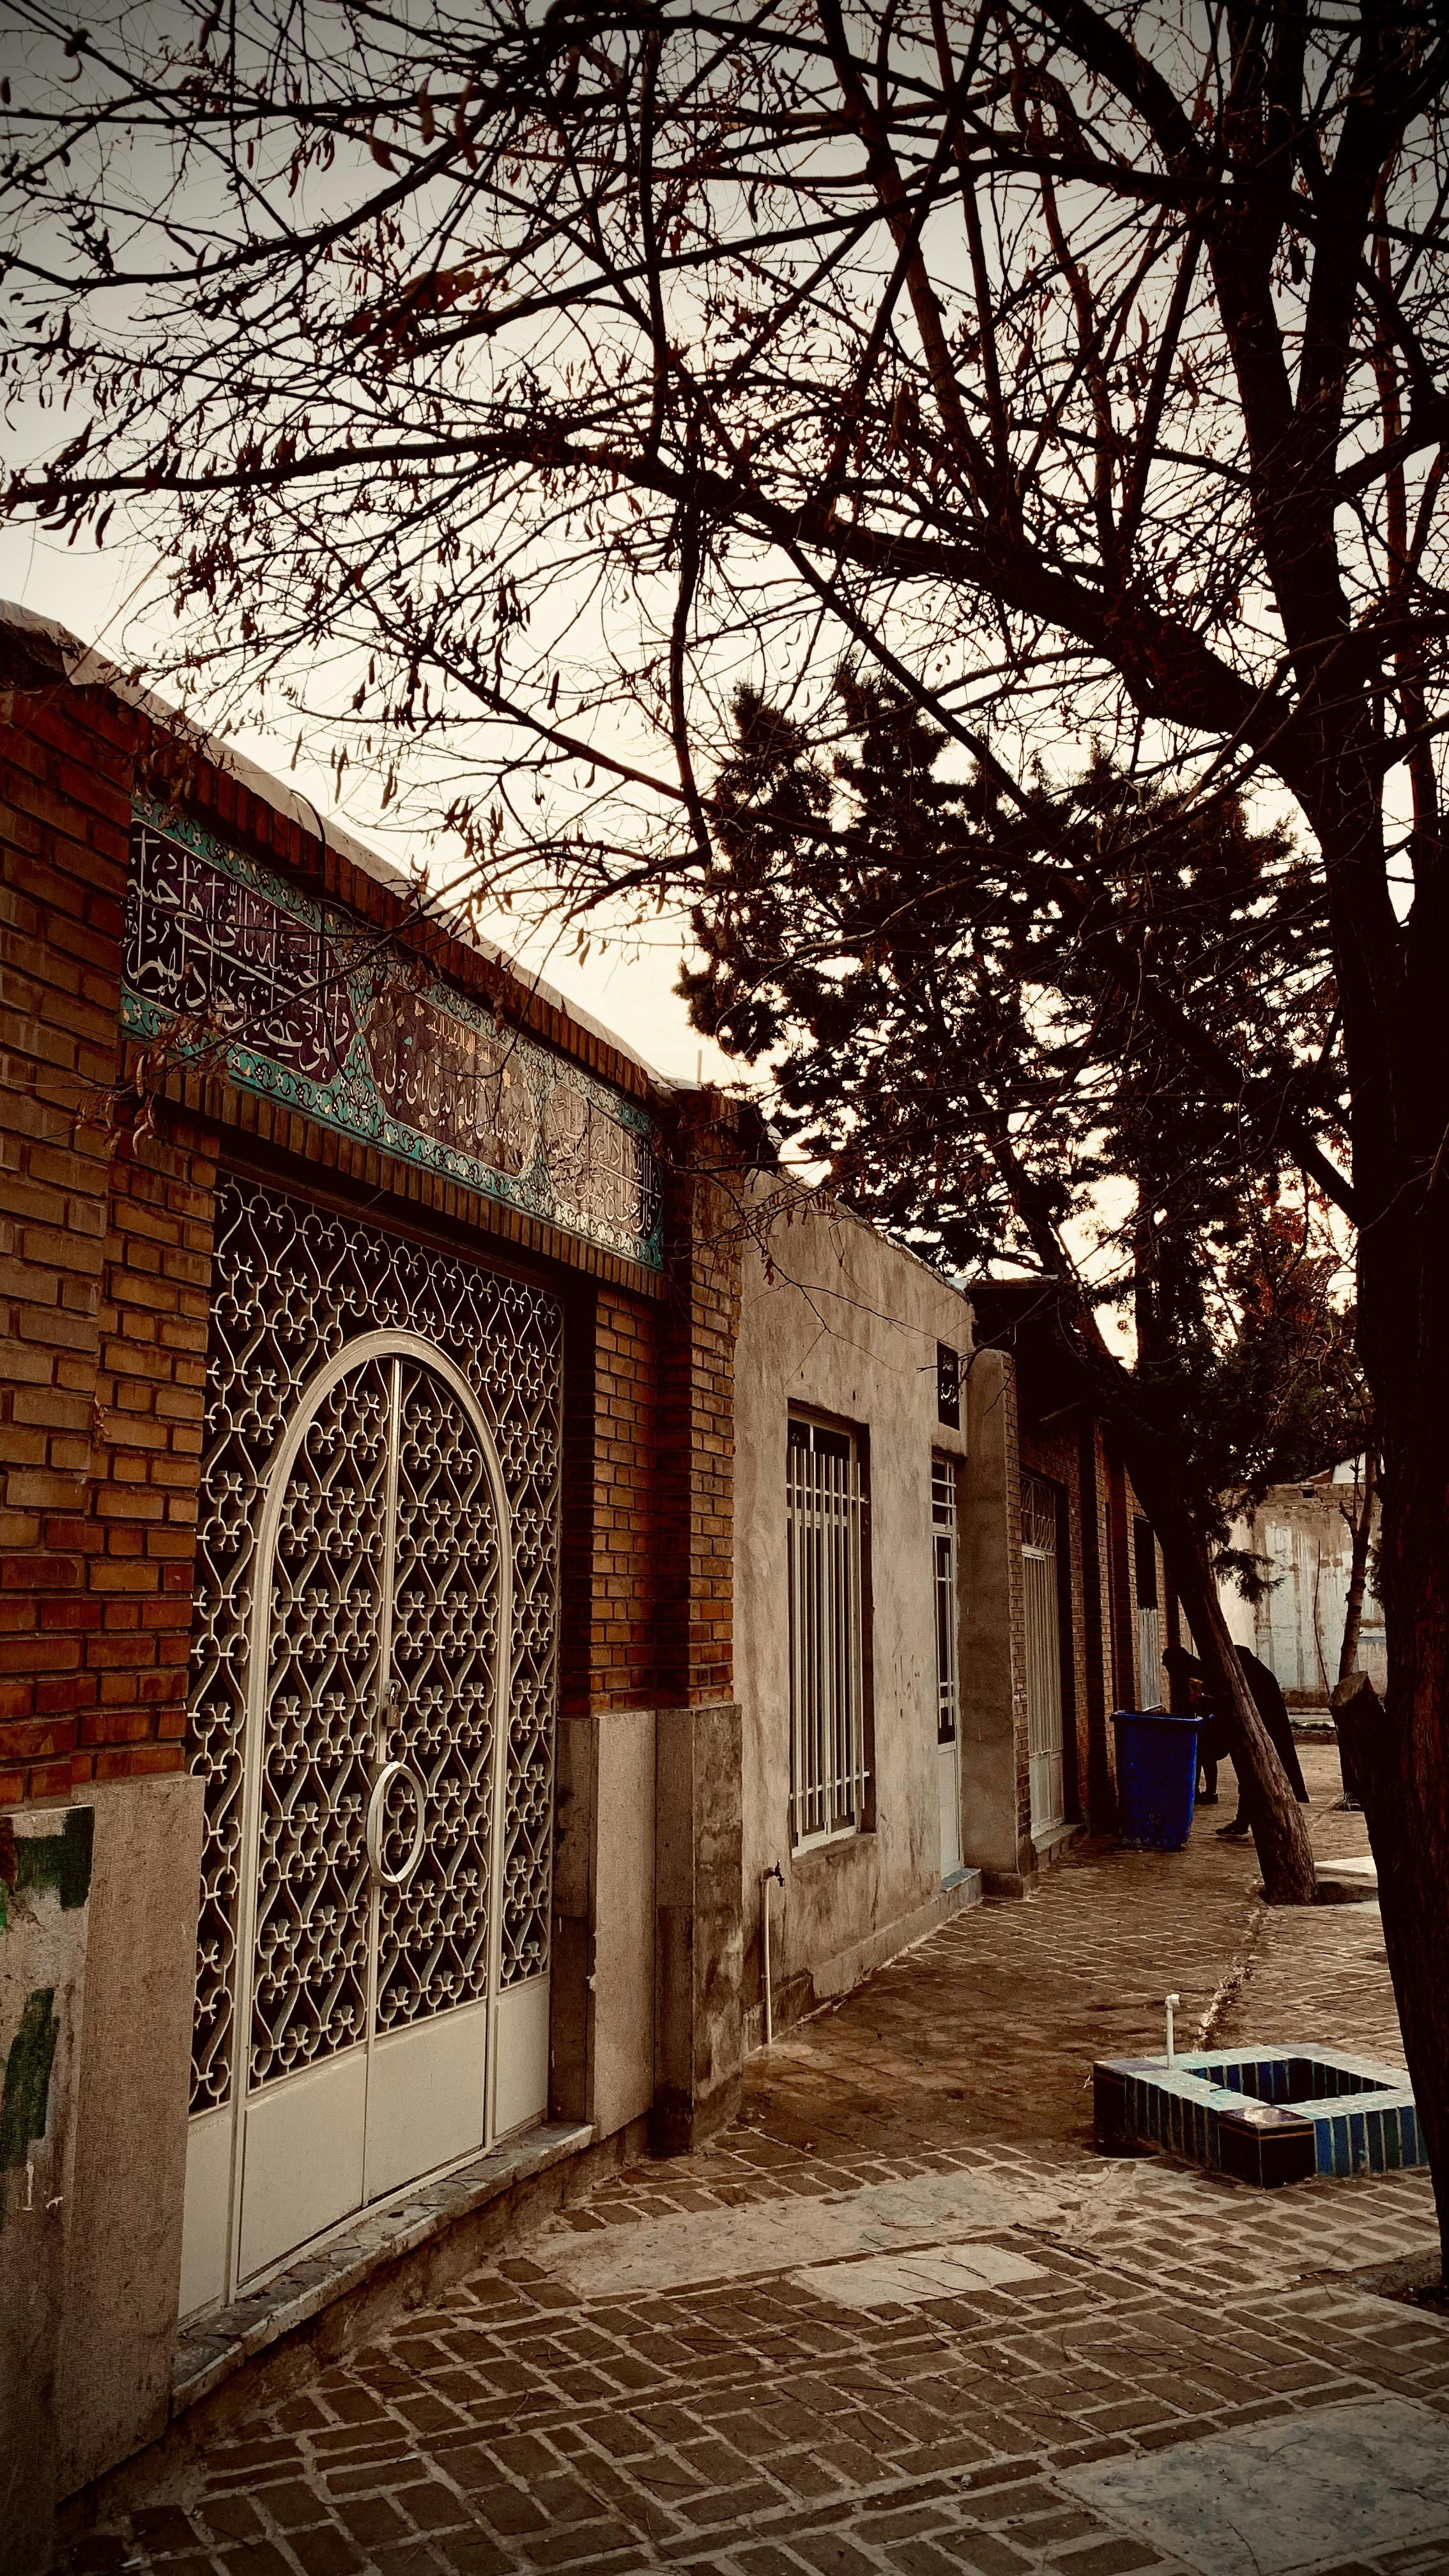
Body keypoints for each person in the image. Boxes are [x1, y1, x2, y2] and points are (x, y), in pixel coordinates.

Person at [1162, 1642, 1310, 1838]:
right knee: (1253, 1773)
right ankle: (1249, 1821)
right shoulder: (1212, 1672)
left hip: (1261, 1725)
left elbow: (1226, 1706)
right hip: (1254, 1725)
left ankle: (1266, 1823)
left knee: (1257, 1772)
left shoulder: (1225, 1672)